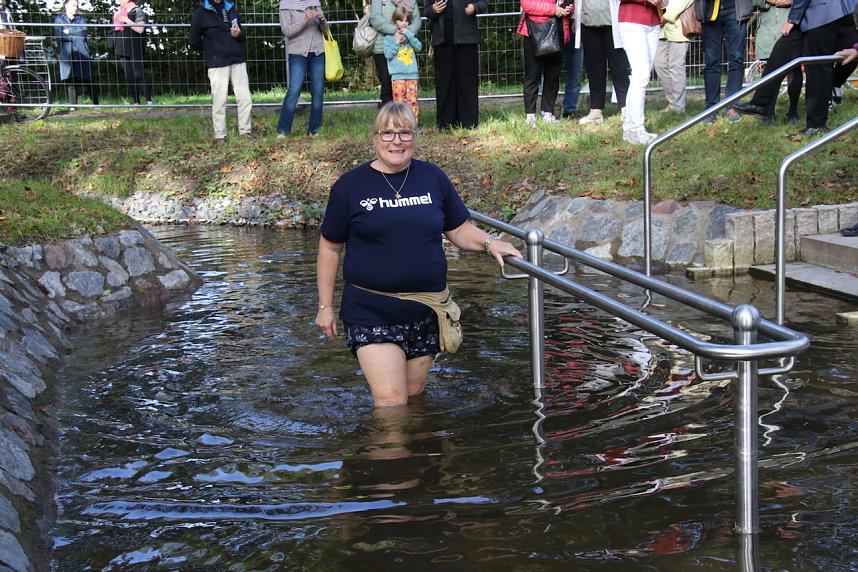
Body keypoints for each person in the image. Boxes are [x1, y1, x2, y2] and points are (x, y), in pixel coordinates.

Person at [315, 102, 522, 408]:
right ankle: (391, 454)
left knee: (413, 397)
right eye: (387, 133)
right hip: (371, 310)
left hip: (425, 310)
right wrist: (325, 306)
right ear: (374, 139)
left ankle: (417, 455)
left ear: (414, 138)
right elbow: (330, 247)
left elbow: (458, 229)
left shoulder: (432, 178)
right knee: (391, 401)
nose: (396, 141)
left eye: (404, 133)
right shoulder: (350, 186)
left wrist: (491, 242)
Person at [189, 0, 253, 142]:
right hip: (217, 62)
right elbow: (193, 41)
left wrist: (239, 34)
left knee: (245, 98)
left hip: (237, 59)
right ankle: (220, 135)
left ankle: (246, 131)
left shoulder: (231, 8)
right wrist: (210, 51)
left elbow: (242, 36)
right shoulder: (200, 12)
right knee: (219, 100)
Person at [423, 0, 486, 129]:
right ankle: (446, 123)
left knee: (467, 81)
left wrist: (474, 7)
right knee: (444, 82)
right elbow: (426, 10)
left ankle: (469, 122)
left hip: (467, 37)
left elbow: (483, 4)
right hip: (442, 38)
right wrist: (433, 9)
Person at [517, 0, 574, 127]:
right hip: (534, 31)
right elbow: (528, 4)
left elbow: (567, 4)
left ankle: (548, 113)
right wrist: (554, 10)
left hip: (557, 31)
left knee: (553, 76)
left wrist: (568, 9)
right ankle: (530, 116)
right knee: (532, 76)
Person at [277, 0, 327, 136]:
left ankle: (314, 129)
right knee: (294, 90)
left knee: (318, 91)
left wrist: (322, 21)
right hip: (297, 53)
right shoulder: (285, 5)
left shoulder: (315, 3)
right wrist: (305, 20)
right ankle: (283, 130)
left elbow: (325, 31)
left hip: (318, 52)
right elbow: (287, 31)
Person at [617, 0, 664, 144]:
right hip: (632, 20)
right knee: (641, 74)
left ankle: (631, 127)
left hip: (653, 20)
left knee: (641, 75)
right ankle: (635, 128)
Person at [747, 0, 802, 123]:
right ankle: (768, 112)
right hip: (767, 30)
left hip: (792, 27)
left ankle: (793, 112)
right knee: (770, 72)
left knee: (794, 68)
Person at [698, 0, 753, 122]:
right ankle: (712, 109)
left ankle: (733, 106)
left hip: (735, 9)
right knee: (711, 61)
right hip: (710, 10)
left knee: (736, 59)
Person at [578, 0, 630, 124]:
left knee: (619, 68)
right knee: (594, 70)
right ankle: (596, 110)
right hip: (588, 24)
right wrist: (575, 19)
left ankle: (627, 108)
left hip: (613, 25)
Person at [371, 0, 422, 107]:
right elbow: (375, 19)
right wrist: (397, 31)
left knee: (409, 93)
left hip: (406, 48)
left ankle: (408, 121)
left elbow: (417, 21)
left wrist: (406, 33)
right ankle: (388, 121)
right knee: (387, 85)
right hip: (383, 47)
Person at [54, 0, 99, 109]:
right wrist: (74, 33)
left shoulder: (81, 19)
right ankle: (73, 105)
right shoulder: (59, 19)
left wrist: (69, 31)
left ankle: (96, 104)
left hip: (81, 50)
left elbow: (83, 32)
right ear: (66, 5)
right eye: (73, 5)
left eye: (76, 5)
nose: (75, 7)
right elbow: (58, 35)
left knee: (88, 77)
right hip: (67, 52)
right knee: (70, 78)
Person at [384, 4, 422, 121]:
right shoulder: (389, 38)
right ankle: (399, 124)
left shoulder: (411, 37)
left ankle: (413, 124)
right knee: (398, 103)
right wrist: (396, 41)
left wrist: (409, 35)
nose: (404, 23)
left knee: (412, 101)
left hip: (411, 75)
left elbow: (419, 47)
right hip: (397, 76)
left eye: (406, 21)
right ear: (395, 21)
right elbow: (388, 55)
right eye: (401, 20)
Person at [654, 0, 692, 113]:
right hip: (661, 28)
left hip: (679, 26)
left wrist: (665, 17)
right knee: (659, 64)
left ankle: (678, 107)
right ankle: (673, 103)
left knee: (676, 67)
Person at [112, 0, 152, 105]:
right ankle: (136, 102)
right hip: (122, 48)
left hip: (135, 48)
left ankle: (148, 101)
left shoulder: (138, 11)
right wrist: (116, 19)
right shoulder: (119, 12)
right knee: (129, 76)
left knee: (139, 74)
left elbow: (140, 29)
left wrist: (126, 20)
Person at [562, 12, 584, 119]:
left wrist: (576, 19)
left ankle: (569, 110)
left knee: (575, 72)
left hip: (575, 29)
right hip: (552, 26)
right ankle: (547, 111)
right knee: (549, 73)